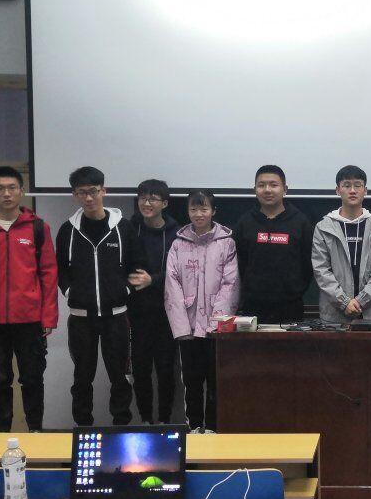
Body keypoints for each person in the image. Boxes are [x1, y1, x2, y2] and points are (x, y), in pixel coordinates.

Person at [0, 166, 58, 433]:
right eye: (0, 188)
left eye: (12, 188)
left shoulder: (38, 228)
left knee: (32, 379)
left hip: (29, 320)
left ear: (21, 191)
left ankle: (35, 431)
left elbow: (49, 274)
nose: (6, 193)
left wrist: (48, 317)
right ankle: (1, 434)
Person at [55, 166, 150, 427]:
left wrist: (124, 290)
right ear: (75, 195)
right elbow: (60, 270)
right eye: (82, 193)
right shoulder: (67, 231)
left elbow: (138, 266)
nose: (88, 198)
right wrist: (70, 291)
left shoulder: (123, 228)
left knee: (120, 377)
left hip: (116, 317)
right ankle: (82, 428)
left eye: (93, 191)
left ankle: (121, 427)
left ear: (103, 191)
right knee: (82, 378)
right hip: (80, 319)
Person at [164, 190, 239, 432]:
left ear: (213, 211)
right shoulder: (178, 244)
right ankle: (194, 428)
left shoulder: (226, 242)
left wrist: (217, 324)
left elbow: (230, 284)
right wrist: (182, 327)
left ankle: (214, 428)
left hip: (216, 329)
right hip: (188, 327)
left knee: (217, 381)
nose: (199, 214)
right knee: (192, 381)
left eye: (204, 209)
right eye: (194, 209)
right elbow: (172, 285)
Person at [233, 165, 314, 324]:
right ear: (255, 190)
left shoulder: (300, 223)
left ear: (285, 189)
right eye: (261, 185)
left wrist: (294, 290)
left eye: (273, 185)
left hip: (291, 307)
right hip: (252, 307)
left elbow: (308, 264)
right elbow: (239, 263)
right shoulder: (245, 223)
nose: (267, 190)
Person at [128, 179, 180, 424]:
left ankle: (164, 421)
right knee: (140, 370)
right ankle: (146, 420)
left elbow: (180, 272)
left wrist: (153, 279)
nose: (146, 203)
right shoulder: (129, 228)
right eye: (142, 198)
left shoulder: (177, 234)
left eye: (153, 199)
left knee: (166, 370)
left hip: (167, 313)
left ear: (165, 204)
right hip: (136, 312)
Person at [311, 165, 371, 324]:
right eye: (346, 185)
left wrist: (361, 300)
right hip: (333, 316)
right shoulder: (324, 227)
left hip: (368, 314)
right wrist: (344, 302)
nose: (352, 190)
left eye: (358, 185)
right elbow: (321, 270)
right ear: (337, 190)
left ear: (365, 190)